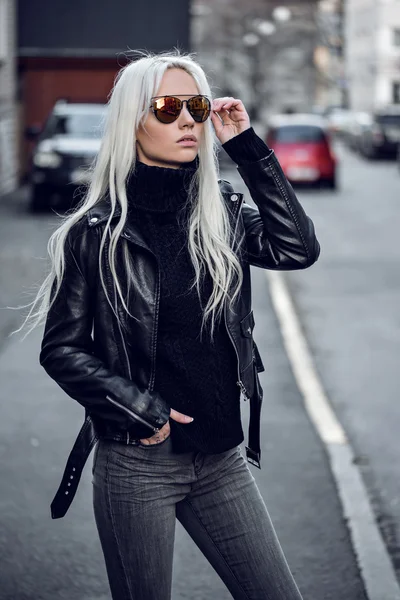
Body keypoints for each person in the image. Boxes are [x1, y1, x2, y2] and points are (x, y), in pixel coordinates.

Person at [22, 50, 320, 599]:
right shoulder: (95, 234)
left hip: (221, 459)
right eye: (168, 107)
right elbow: (61, 349)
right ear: (134, 120)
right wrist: (140, 407)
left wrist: (248, 150)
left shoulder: (220, 215)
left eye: (196, 105)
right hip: (139, 465)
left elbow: (297, 248)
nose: (188, 119)